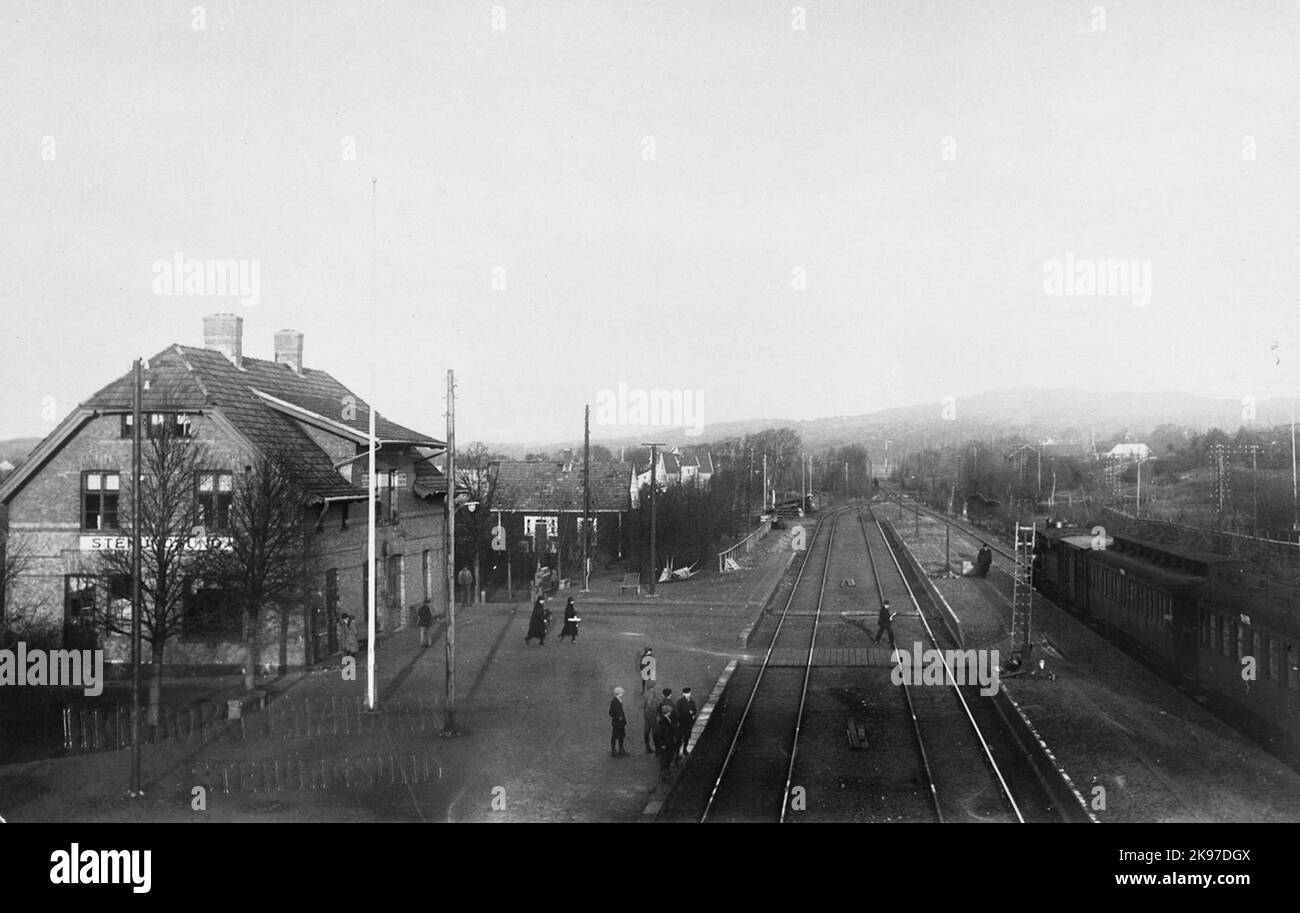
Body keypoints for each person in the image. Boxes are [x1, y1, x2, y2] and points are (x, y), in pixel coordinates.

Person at [655, 704, 677, 780]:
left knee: (669, 756)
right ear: (667, 712)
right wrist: (663, 744)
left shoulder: (666, 719)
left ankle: (666, 770)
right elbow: (661, 734)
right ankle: (664, 772)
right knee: (665, 757)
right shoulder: (663, 721)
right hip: (666, 742)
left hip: (669, 741)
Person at [675, 687, 697, 759]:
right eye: (686, 693)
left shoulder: (692, 701)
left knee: (687, 737)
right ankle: (677, 753)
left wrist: (693, 713)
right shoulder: (680, 702)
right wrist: (688, 713)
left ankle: (685, 749)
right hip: (682, 723)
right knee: (679, 738)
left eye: (689, 693)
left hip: (689, 723)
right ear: (683, 694)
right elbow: (678, 712)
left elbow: (695, 710)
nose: (688, 695)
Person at [609, 687, 629, 757]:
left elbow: (611, 712)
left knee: (621, 736)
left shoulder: (617, 700)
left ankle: (620, 749)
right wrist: (618, 717)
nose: (623, 693)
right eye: (622, 692)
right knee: (615, 736)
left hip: (619, 723)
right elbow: (611, 712)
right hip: (618, 723)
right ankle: (614, 750)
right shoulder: (615, 702)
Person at [643, 683, 661, 753]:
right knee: (655, 731)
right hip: (652, 715)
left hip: (646, 715)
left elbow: (642, 705)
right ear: (652, 687)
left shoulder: (645, 694)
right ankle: (657, 748)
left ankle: (647, 747)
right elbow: (650, 703)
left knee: (646, 731)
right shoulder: (652, 694)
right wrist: (656, 708)